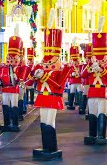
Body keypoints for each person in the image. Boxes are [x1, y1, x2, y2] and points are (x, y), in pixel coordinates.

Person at [31, 24, 71, 160]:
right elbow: (31, 83)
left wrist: (44, 76)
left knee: (49, 122)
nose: (46, 65)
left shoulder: (63, 70)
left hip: (54, 98)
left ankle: (51, 147)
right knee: (43, 122)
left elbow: (59, 86)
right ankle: (45, 146)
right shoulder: (41, 69)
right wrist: (34, 76)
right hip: (43, 98)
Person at [82, 28, 107, 145]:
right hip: (92, 92)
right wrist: (91, 67)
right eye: (98, 59)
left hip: (102, 92)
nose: (100, 61)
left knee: (102, 113)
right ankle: (92, 134)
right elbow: (83, 75)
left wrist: (102, 70)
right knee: (92, 113)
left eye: (103, 59)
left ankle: (101, 135)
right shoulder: (89, 66)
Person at [0, 26, 31, 132]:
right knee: (5, 105)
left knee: (14, 106)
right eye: (9, 58)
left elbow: (24, 75)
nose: (10, 61)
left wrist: (20, 78)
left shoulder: (21, 68)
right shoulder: (3, 68)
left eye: (13, 59)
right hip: (5, 89)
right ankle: (7, 123)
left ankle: (15, 123)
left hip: (14, 89)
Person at [67, 45, 83, 111]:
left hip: (79, 81)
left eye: (77, 61)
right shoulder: (71, 67)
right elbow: (68, 75)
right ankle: (70, 104)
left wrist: (80, 74)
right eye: (75, 62)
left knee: (80, 92)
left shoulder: (80, 67)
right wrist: (71, 75)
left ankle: (80, 104)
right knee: (72, 92)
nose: (76, 63)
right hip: (73, 81)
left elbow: (83, 73)